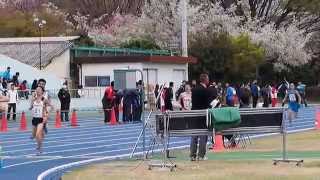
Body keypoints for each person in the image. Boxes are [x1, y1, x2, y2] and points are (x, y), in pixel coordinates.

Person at [190, 73, 210, 161]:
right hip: (203, 114)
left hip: (194, 114)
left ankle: (192, 155)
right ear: (205, 80)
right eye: (208, 79)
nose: (208, 80)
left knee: (194, 135)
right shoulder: (205, 90)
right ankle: (201, 155)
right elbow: (207, 104)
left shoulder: (193, 89)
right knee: (203, 135)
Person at [30, 86, 49, 155]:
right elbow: (30, 107)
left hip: (41, 119)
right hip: (34, 118)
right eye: (36, 89)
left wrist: (46, 115)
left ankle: (40, 147)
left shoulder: (44, 99)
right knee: (33, 136)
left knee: (38, 134)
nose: (37, 91)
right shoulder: (34, 99)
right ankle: (44, 129)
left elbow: (50, 107)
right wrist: (32, 103)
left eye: (39, 90)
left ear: (42, 91)